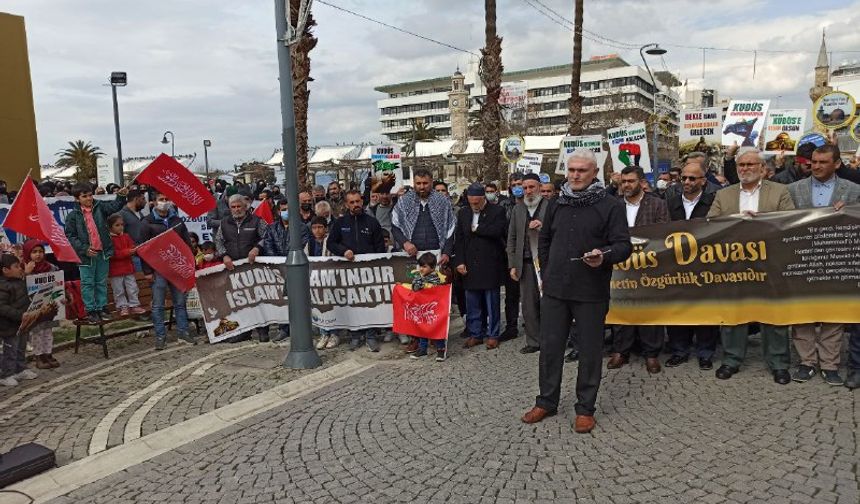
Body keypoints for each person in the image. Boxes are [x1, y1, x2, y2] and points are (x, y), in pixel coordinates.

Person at [521, 149, 631, 434]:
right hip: (556, 288)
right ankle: (546, 400)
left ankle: (585, 408)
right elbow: (544, 239)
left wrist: (603, 255)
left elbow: (623, 246)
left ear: (594, 172)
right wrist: (545, 272)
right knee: (550, 347)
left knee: (590, 350)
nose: (575, 175)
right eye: (571, 170)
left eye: (581, 170)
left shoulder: (610, 205)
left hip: (590, 289)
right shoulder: (556, 202)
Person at [708, 146, 795, 384]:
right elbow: (711, 225)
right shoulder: (723, 195)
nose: (745, 169)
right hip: (734, 265)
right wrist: (736, 222)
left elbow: (789, 223)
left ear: (763, 168)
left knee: (774, 314)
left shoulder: (780, 192)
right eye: (741, 165)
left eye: (750, 164)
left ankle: (778, 363)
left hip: (770, 262)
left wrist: (761, 223)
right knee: (733, 312)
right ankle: (731, 359)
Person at [787, 145, 860, 385]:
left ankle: (830, 364)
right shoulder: (793, 190)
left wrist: (849, 210)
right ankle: (806, 361)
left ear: (837, 164)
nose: (816, 166)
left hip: (836, 260)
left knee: (833, 311)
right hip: (800, 259)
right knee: (801, 311)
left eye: (822, 162)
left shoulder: (853, 191)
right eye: (814, 162)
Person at [607, 165, 669, 374]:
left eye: (631, 181)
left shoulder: (657, 204)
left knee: (649, 308)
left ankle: (651, 353)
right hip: (621, 265)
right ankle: (620, 350)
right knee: (621, 306)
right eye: (623, 181)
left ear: (642, 182)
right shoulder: (614, 205)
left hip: (648, 265)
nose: (626, 185)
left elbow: (663, 234)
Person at [391, 169, 456, 349]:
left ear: (431, 182)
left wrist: (446, 253)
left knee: (434, 298)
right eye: (418, 183)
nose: (422, 187)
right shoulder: (403, 202)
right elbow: (395, 226)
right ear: (414, 183)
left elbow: (450, 229)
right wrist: (405, 243)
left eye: (425, 183)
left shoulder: (442, 201)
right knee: (415, 298)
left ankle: (436, 337)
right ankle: (417, 339)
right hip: (413, 256)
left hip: (436, 254)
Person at [664, 160, 718, 370]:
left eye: (692, 178)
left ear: (703, 181)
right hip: (676, 265)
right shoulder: (669, 201)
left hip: (705, 265)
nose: (686, 181)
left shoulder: (713, 202)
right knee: (677, 308)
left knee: (705, 309)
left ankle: (705, 352)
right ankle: (679, 350)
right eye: (683, 177)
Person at [327, 190, 386, 351]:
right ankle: (355, 335)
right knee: (352, 304)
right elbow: (331, 243)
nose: (355, 205)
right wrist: (343, 251)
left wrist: (374, 263)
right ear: (346, 204)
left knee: (370, 304)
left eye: (358, 201)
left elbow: (380, 247)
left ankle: (371, 335)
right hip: (349, 273)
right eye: (352, 202)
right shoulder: (340, 223)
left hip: (369, 272)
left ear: (362, 202)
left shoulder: (372, 222)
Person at [140, 192, 197, 350]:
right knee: (158, 305)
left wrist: (189, 262)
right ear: (154, 202)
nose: (164, 202)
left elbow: (186, 243)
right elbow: (143, 248)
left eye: (167, 199)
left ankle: (183, 332)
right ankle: (160, 336)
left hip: (176, 269)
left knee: (180, 303)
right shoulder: (147, 222)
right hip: (157, 270)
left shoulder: (177, 221)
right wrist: (147, 271)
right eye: (161, 200)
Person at [455, 183, 507, 350]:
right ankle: (476, 333)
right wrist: (460, 261)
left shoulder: (497, 211)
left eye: (477, 203)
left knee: (492, 303)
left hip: (489, 263)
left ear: (484, 198)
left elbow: (497, 231)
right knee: (472, 303)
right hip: (470, 264)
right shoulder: (463, 213)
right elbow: (460, 239)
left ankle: (493, 334)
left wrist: (478, 228)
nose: (474, 206)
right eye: (471, 203)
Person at [65, 182, 128, 323]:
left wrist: (121, 196)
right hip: (86, 255)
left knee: (101, 282)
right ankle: (90, 310)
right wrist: (84, 249)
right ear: (77, 199)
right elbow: (70, 236)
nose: (89, 198)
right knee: (88, 283)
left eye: (90, 195)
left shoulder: (100, 207)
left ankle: (102, 307)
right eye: (84, 196)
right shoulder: (73, 216)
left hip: (102, 252)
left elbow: (114, 207)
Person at [215, 193, 269, 342]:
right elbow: (218, 241)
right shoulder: (224, 223)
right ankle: (245, 331)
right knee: (239, 300)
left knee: (257, 298)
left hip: (253, 266)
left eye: (239, 206)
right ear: (230, 208)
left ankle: (263, 330)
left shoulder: (257, 221)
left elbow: (267, 236)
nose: (237, 209)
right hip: (234, 268)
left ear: (245, 207)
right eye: (233, 207)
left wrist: (257, 248)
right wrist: (224, 255)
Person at [506, 173, 547, 354]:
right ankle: (534, 341)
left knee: (549, 304)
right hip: (525, 263)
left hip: (547, 263)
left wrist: (543, 226)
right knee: (529, 306)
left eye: (532, 187)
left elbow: (560, 232)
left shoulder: (550, 207)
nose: (528, 191)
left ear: (539, 187)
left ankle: (552, 340)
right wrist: (513, 264)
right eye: (525, 188)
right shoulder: (518, 209)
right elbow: (512, 238)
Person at [262, 199, 311, 342]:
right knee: (281, 299)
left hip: (295, 268)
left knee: (297, 298)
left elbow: (302, 244)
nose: (285, 212)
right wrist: (278, 262)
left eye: (288, 209)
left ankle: (298, 328)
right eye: (283, 209)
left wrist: (289, 261)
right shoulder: (272, 228)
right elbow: (268, 245)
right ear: (278, 211)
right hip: (278, 270)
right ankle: (283, 329)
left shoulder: (301, 228)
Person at [22, 240, 60, 369]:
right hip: (34, 308)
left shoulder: (51, 267)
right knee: (37, 332)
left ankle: (47, 353)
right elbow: (20, 287)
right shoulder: (24, 268)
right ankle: (38, 356)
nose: (38, 255)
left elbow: (58, 283)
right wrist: (27, 273)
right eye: (34, 252)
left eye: (40, 252)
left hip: (49, 306)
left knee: (48, 331)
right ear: (28, 253)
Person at [0, 254, 37, 387]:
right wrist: (19, 315)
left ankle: (20, 369)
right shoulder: (3, 285)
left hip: (22, 323)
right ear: (5, 270)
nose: (19, 268)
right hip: (8, 325)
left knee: (21, 347)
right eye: (16, 266)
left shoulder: (18, 280)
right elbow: (2, 307)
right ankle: (6, 374)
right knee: (10, 349)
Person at [408, 252, 448, 361]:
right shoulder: (418, 277)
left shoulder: (437, 277)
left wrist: (424, 284)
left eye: (424, 266)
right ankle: (422, 349)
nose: (421, 269)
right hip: (422, 308)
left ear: (433, 267)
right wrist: (417, 282)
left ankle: (441, 350)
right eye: (420, 266)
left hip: (434, 309)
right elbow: (415, 289)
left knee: (436, 329)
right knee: (422, 329)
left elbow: (436, 289)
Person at [106, 215, 146, 317]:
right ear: (110, 227)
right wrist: (128, 252)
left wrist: (134, 249)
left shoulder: (126, 236)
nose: (120, 227)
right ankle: (122, 306)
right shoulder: (109, 239)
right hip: (116, 270)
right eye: (117, 225)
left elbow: (131, 246)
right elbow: (113, 254)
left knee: (132, 287)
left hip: (128, 268)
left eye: (122, 225)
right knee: (119, 290)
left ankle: (134, 305)